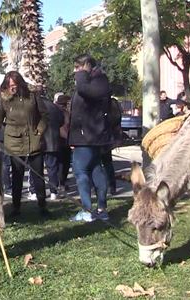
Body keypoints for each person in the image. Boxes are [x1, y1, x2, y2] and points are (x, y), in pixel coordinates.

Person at [0, 71, 50, 218]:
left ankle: (42, 206)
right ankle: (16, 208)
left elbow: (44, 115)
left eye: (15, 85)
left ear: (20, 83)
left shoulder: (33, 95)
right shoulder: (4, 99)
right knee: (17, 177)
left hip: (34, 140)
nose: (12, 88)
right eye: (10, 85)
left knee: (38, 175)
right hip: (14, 142)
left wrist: (39, 132)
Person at [68, 54, 112, 222]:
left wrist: (82, 74)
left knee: (81, 172)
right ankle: (102, 210)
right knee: (95, 170)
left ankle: (87, 210)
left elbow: (84, 90)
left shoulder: (97, 81)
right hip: (89, 136)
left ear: (86, 65)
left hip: (87, 137)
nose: (75, 71)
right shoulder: (96, 81)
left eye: (77, 67)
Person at [42, 96, 65, 200]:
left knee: (36, 169)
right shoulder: (54, 106)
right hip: (53, 140)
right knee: (52, 168)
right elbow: (61, 121)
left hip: (39, 140)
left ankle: (36, 192)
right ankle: (53, 191)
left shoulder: (34, 105)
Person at [54, 94, 72, 195]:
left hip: (60, 141)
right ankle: (61, 183)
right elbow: (64, 129)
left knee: (62, 164)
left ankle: (61, 183)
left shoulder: (58, 111)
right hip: (64, 141)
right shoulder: (64, 113)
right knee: (63, 164)